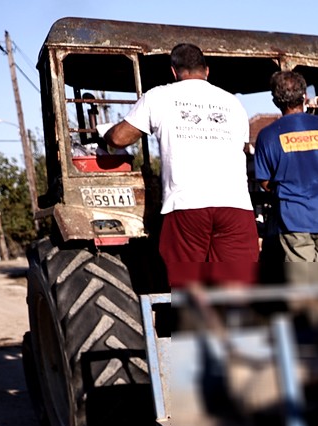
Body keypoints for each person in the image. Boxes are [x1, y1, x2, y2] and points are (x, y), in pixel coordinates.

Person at [102, 43, 257, 289]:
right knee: (237, 288)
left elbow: (118, 139)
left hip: (187, 206)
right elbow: (240, 148)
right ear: (207, 70)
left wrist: (105, 134)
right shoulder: (233, 104)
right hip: (235, 206)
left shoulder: (159, 96)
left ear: (174, 72)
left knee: (189, 289)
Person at [252, 69, 318, 283]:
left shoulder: (267, 136)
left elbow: (264, 181)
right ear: (304, 96)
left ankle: (308, 315)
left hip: (294, 219)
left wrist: (282, 190)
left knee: (303, 281)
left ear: (275, 101)